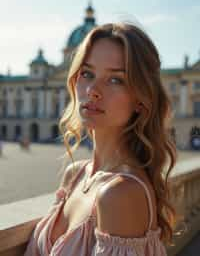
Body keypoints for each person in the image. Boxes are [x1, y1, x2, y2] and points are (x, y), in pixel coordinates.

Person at [24, 22, 178, 255]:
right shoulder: (74, 175)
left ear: (141, 97)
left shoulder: (120, 194)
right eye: (87, 74)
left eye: (115, 79)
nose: (92, 90)